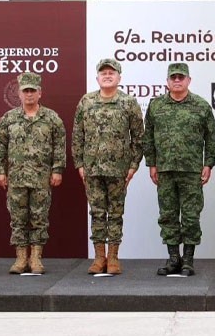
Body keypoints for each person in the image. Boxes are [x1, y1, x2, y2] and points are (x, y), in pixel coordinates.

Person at [72, 58, 144, 275]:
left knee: (115, 214)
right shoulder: (86, 101)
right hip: (92, 169)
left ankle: (113, 257)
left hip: (119, 170)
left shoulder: (128, 102)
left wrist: (133, 165)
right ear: (97, 77)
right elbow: (78, 135)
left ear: (119, 77)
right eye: (103, 73)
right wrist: (79, 164)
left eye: (112, 72)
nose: (107, 75)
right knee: (96, 213)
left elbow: (138, 138)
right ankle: (99, 257)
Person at [144, 62, 215, 277]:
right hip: (165, 170)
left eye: (181, 77)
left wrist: (208, 163)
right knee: (168, 215)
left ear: (188, 80)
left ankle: (188, 259)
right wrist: (152, 163)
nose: (177, 80)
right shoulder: (156, 105)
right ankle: (173, 258)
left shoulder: (201, 106)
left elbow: (211, 138)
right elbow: (148, 136)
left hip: (191, 170)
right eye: (173, 77)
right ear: (167, 81)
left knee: (191, 216)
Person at [0, 73, 65, 274]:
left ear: (40, 93)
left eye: (33, 90)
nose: (29, 94)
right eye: (26, 91)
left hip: (41, 178)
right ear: (19, 93)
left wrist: (57, 169)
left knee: (39, 218)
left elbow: (59, 146)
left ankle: (36, 259)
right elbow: (0, 147)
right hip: (16, 178)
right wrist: (0, 171)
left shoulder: (51, 118)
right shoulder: (8, 119)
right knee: (18, 218)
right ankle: (20, 258)